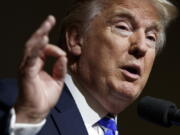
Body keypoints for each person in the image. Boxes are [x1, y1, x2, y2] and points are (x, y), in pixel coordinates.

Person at [0, 0, 178, 135]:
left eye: (151, 37)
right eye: (123, 27)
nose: (141, 46)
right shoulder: (14, 103)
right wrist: (28, 119)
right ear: (76, 39)